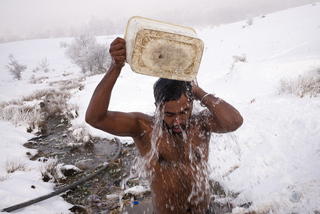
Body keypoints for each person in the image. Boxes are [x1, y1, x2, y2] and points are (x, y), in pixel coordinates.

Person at [85, 37, 243, 214]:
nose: (178, 121)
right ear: (157, 108)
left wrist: (199, 92)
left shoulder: (201, 123)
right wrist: (115, 67)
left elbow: (235, 121)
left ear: (192, 103)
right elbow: (95, 118)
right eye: (169, 114)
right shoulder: (144, 128)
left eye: (184, 112)